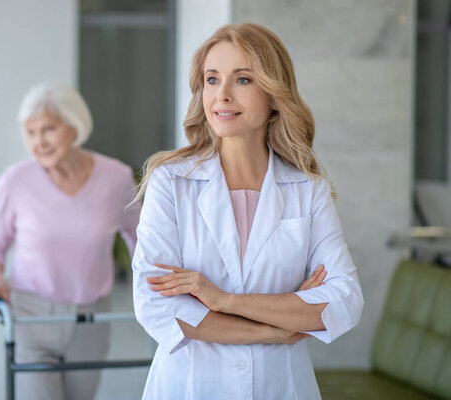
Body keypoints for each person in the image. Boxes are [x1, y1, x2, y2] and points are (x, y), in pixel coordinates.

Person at [132, 23, 363, 399]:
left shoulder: (308, 188)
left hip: (281, 386)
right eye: (211, 79)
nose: (221, 95)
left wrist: (225, 302)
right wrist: (278, 327)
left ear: (274, 93)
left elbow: (344, 302)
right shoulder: (170, 183)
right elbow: (157, 306)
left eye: (242, 79)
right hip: (191, 386)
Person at [0, 82, 140, 400]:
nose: (39, 142)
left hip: (92, 319)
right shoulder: (16, 181)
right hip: (30, 316)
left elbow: (141, 239)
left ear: (74, 125)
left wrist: (156, 283)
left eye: (49, 129)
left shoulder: (116, 178)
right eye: (30, 132)